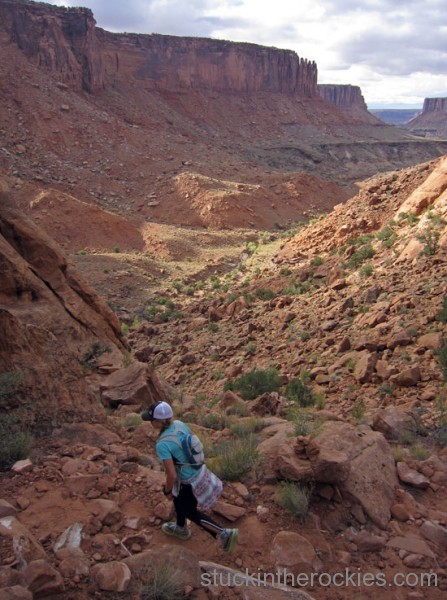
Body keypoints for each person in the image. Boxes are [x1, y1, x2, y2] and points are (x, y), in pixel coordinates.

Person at [141, 400, 239, 553]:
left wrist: (166, 489)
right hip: (198, 471)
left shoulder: (162, 444)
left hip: (188, 481)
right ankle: (180, 528)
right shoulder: (180, 424)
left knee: (190, 511)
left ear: (158, 422)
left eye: (151, 419)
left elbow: (171, 474)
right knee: (177, 497)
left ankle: (224, 533)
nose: (150, 422)